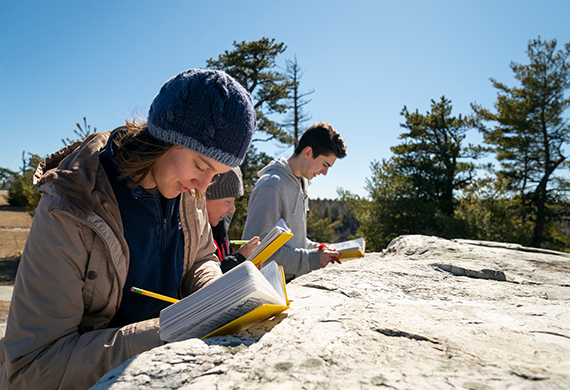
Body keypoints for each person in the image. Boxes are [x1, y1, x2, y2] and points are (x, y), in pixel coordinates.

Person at [0, 69, 256, 389]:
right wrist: (168, 331)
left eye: (216, 175)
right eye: (201, 166)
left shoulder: (188, 194)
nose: (203, 186)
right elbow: (33, 367)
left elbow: (200, 259)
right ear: (165, 137)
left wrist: (214, 297)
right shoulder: (70, 208)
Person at [242, 122, 347, 281]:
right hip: (269, 290)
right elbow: (257, 251)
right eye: (324, 165)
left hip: (290, 285)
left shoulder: (301, 183)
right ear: (308, 152)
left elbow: (293, 241)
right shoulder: (271, 185)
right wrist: (310, 259)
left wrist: (318, 249)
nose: (325, 173)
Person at [205, 167, 260, 273]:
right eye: (228, 201)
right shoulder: (190, 234)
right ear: (206, 198)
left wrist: (246, 268)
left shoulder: (221, 226)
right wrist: (239, 259)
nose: (232, 209)